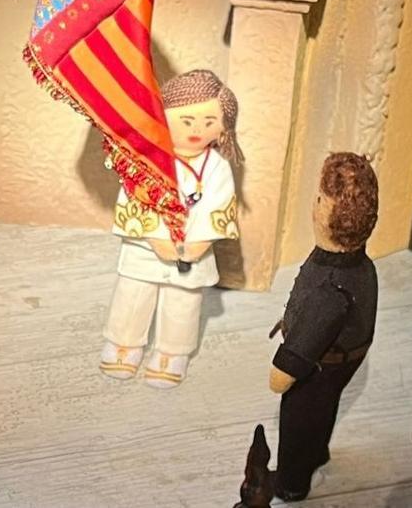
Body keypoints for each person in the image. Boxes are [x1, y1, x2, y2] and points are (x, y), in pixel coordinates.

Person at [99, 69, 241, 388]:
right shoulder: (145, 158)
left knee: (183, 302)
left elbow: (219, 205)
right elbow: (135, 196)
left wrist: (197, 244)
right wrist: (156, 238)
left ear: (224, 127)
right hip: (146, 248)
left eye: (209, 121)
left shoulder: (217, 167)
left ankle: (172, 352)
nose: (197, 130)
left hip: (191, 252)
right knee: (133, 295)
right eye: (186, 121)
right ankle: (124, 343)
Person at [268, 152, 379, 502]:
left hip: (322, 364)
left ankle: (291, 482)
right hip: (346, 356)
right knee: (324, 406)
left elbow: (305, 343)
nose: (314, 204)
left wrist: (282, 369)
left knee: (299, 418)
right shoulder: (360, 265)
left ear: (328, 213)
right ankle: (317, 453)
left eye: (320, 199)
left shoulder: (329, 289)